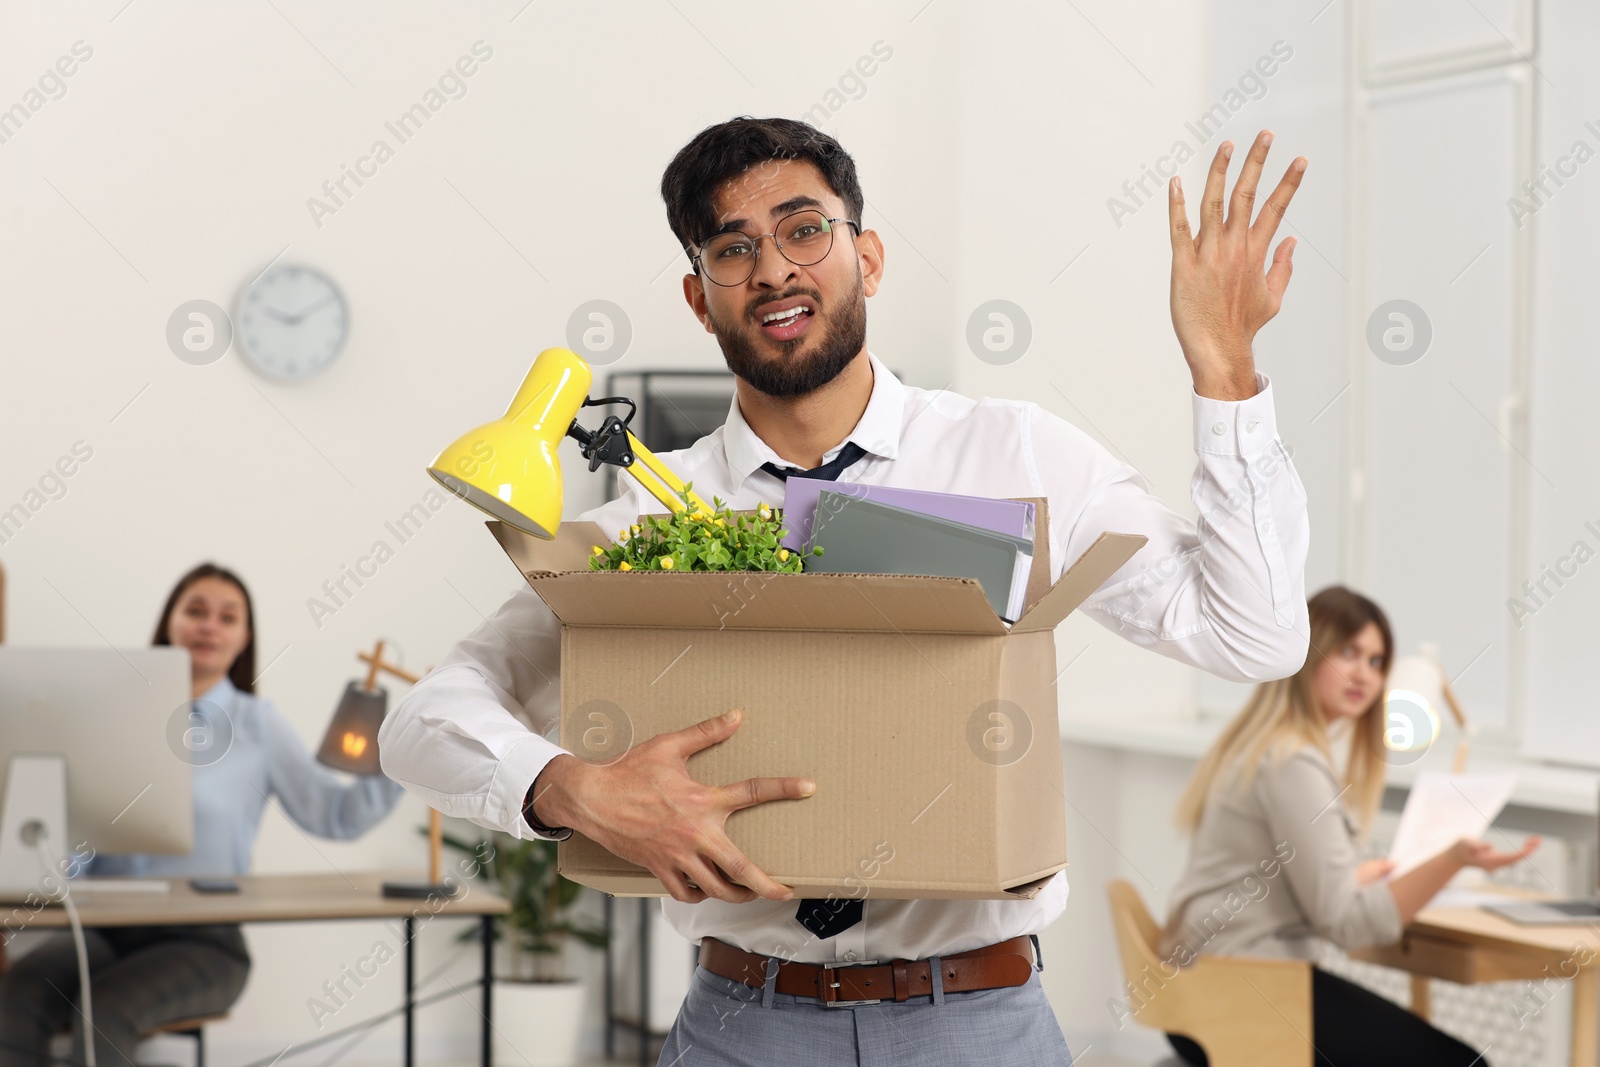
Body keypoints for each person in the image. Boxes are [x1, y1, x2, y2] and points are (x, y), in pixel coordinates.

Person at [379, 116, 1314, 1066]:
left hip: (978, 1023)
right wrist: (571, 788)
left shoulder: (1016, 453)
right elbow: (420, 724)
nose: (774, 269)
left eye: (803, 230)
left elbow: (1256, 636)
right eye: (733, 249)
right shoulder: (655, 517)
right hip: (742, 1022)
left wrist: (1225, 373)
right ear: (701, 301)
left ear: (866, 255)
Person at [0, 563, 405, 1067]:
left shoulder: (259, 726)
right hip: (103, 928)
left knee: (104, 1009)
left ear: (243, 638)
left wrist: (406, 750)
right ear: (169, 622)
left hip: (206, 941)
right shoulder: (109, 712)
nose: (209, 625)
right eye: (195, 611)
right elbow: (74, 831)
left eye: (227, 617)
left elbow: (336, 816)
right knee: (16, 992)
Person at [1160, 585, 1540, 1067]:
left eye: (1377, 662)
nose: (1364, 673)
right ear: (1308, 651)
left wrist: (1353, 879)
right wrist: (1453, 859)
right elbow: (1348, 926)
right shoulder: (1293, 763)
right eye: (1348, 652)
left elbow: (1273, 879)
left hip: (1205, 987)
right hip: (1245, 995)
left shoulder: (1264, 745)